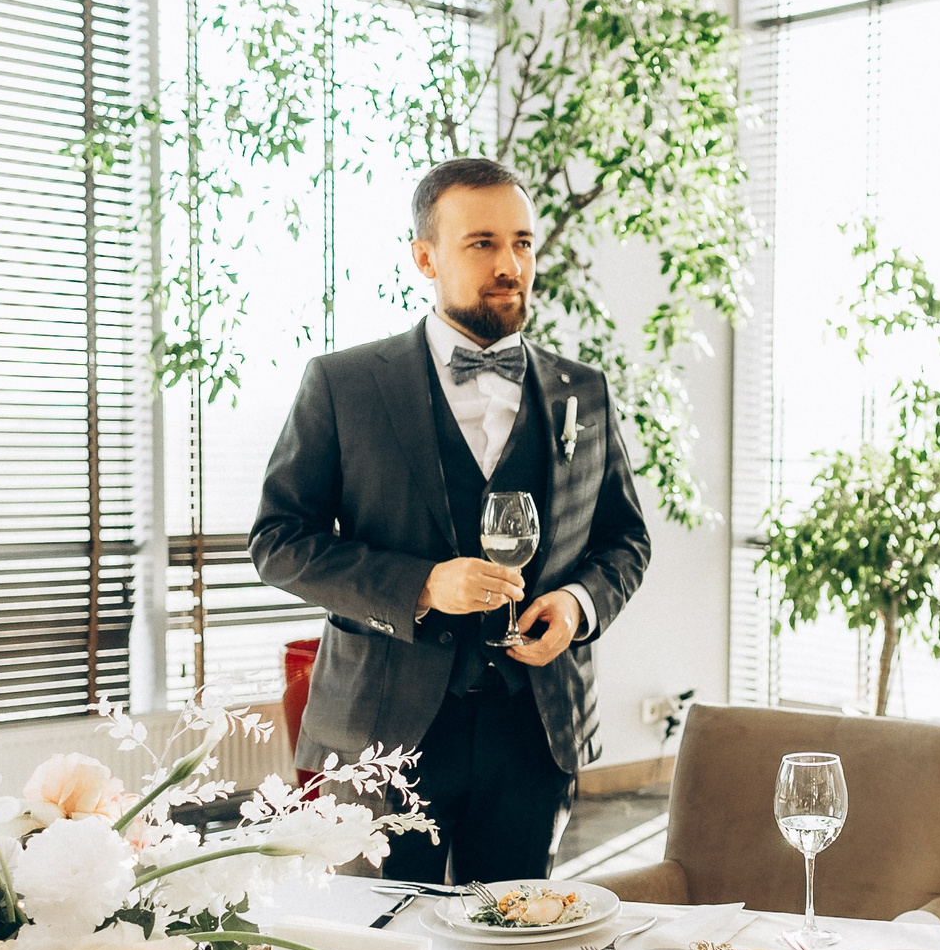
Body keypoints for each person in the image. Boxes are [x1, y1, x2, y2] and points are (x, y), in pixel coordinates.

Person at [249, 156, 652, 884]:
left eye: (522, 242)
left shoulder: (583, 391)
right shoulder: (343, 385)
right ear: (426, 257)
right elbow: (278, 542)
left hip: (535, 733)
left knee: (515, 939)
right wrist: (424, 586)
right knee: (382, 938)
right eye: (482, 243)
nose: (511, 265)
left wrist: (575, 604)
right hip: (383, 736)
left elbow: (626, 540)